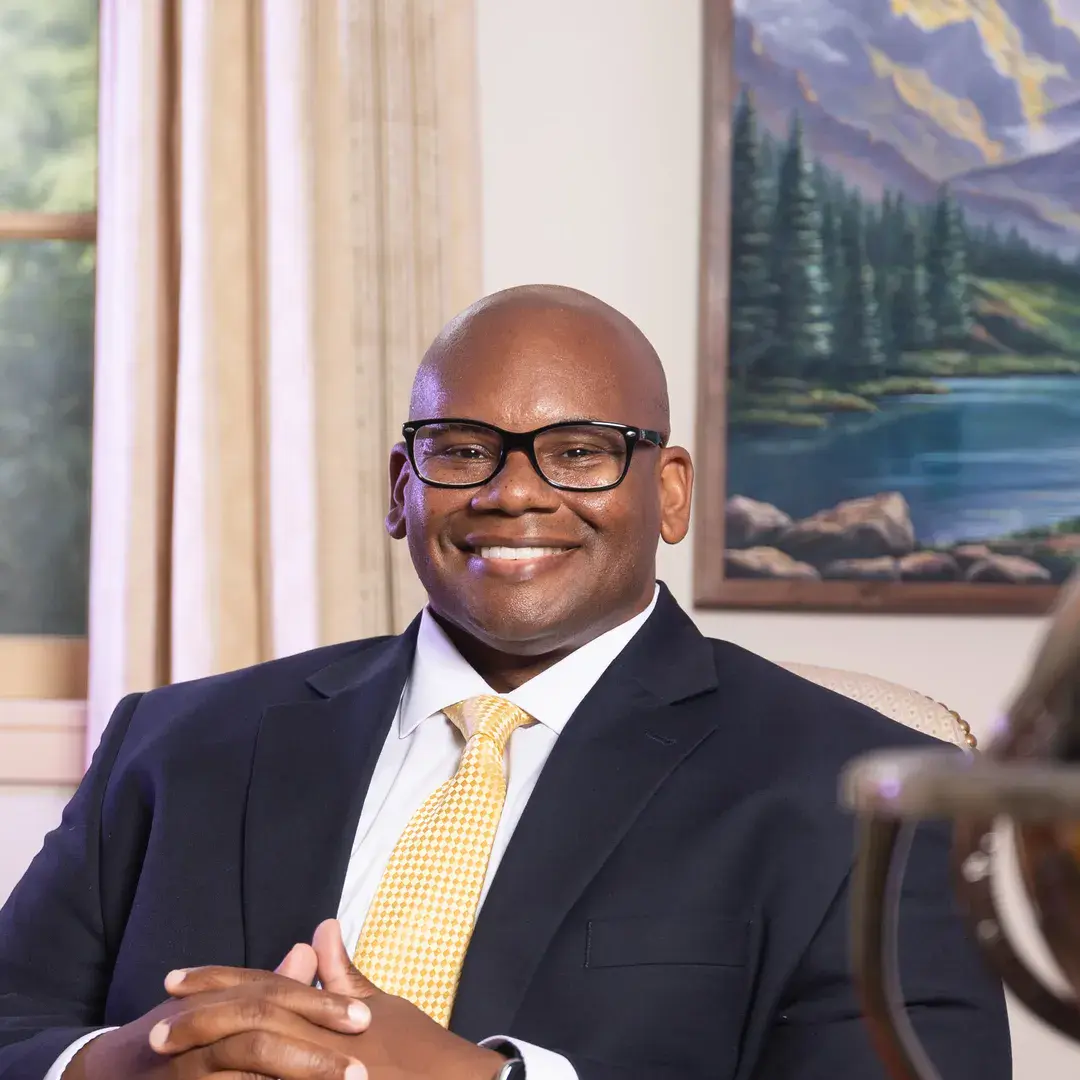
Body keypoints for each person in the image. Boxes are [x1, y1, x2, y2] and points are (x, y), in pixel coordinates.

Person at [0, 285, 1009, 1080]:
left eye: (578, 452)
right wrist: (112, 1064)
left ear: (668, 493)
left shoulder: (870, 798)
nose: (513, 490)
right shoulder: (176, 745)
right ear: (402, 492)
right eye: (462, 449)